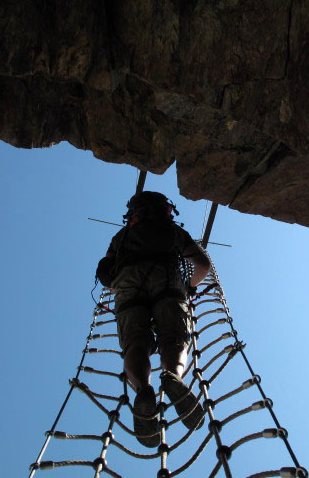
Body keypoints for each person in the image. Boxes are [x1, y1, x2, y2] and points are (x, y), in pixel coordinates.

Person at [96, 191, 211, 447]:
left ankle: (143, 390)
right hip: (168, 279)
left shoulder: (121, 236)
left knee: (135, 342)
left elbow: (104, 271)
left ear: (133, 214)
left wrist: (122, 287)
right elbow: (203, 265)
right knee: (176, 336)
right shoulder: (173, 231)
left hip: (128, 285)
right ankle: (173, 376)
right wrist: (188, 286)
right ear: (166, 210)